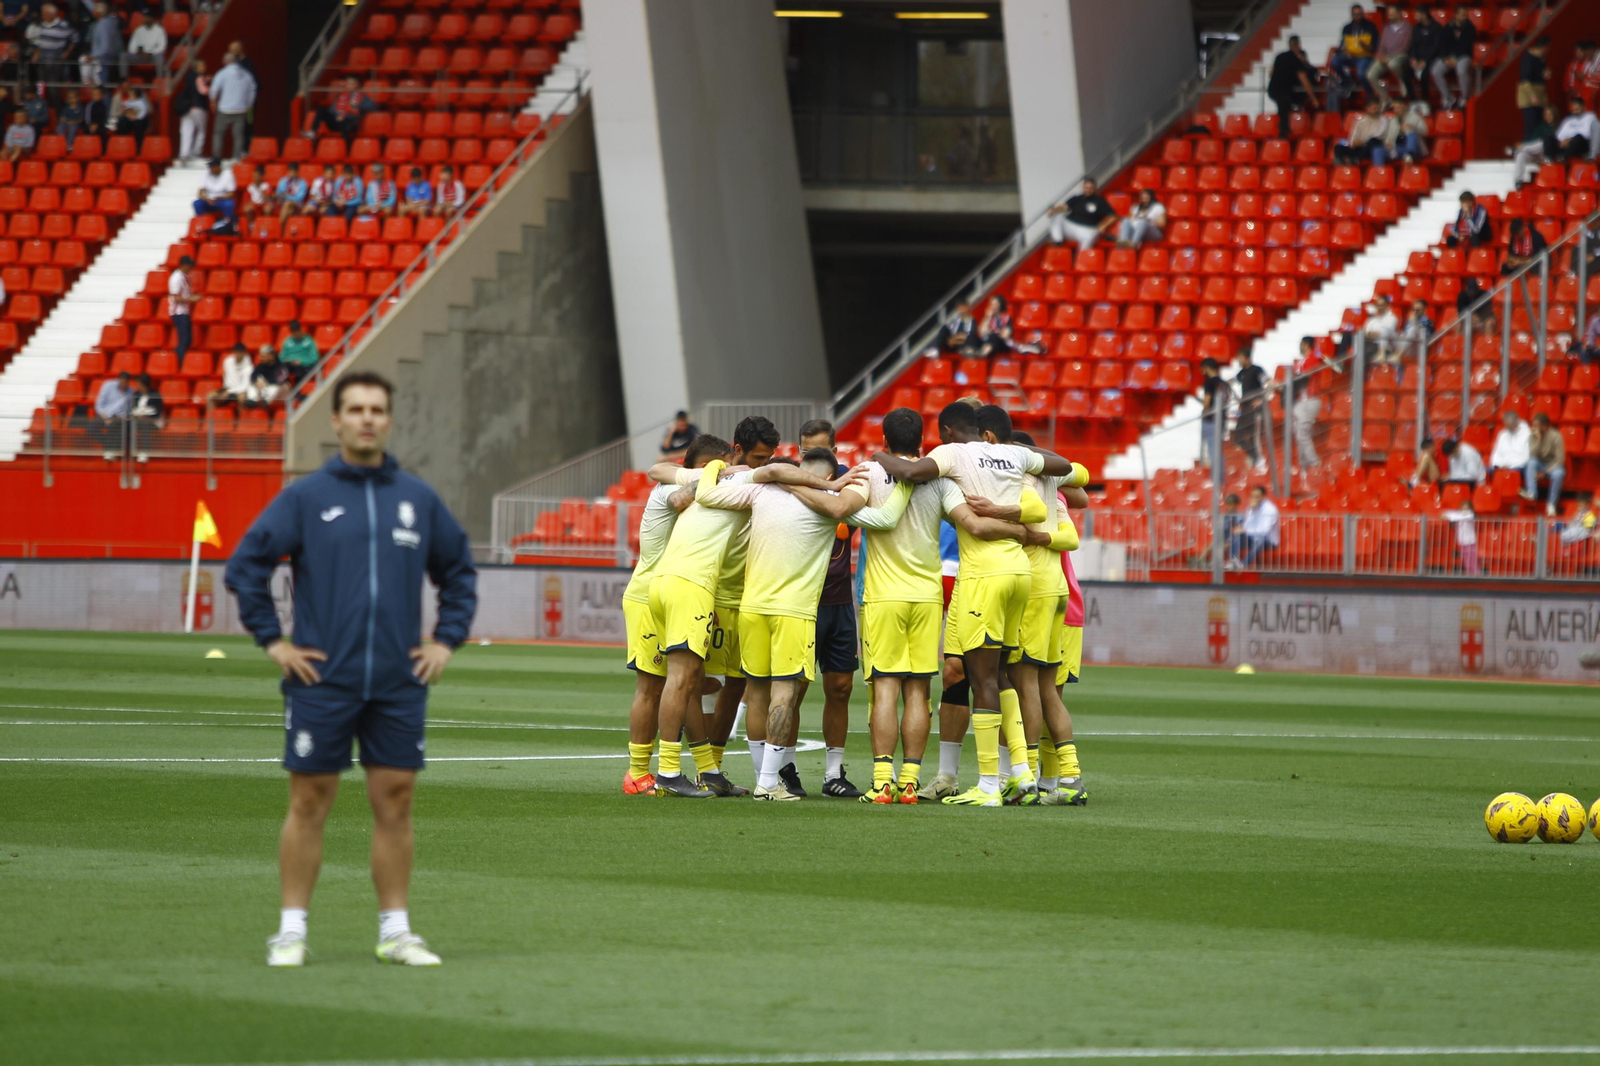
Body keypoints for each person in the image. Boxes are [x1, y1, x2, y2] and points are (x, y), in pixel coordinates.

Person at [225, 370, 478, 969]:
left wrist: (445, 640)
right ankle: (290, 931)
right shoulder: (306, 497)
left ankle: (396, 931)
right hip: (321, 679)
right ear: (336, 420)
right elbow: (246, 564)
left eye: (377, 409)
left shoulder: (417, 499)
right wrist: (274, 642)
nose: (367, 418)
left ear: (389, 420)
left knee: (396, 801)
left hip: (398, 681)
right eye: (356, 409)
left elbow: (459, 571)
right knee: (309, 800)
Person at [872, 400, 1081, 807]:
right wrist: (1031, 458)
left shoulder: (951, 453)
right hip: (1020, 573)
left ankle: (988, 784)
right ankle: (1020, 771)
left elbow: (911, 471)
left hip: (983, 575)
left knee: (982, 679)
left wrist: (879, 454)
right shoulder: (1013, 453)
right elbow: (1062, 465)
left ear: (948, 431)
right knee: (1002, 675)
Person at [642, 416, 836, 798]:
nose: (764, 465)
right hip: (695, 586)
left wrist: (707, 476)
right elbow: (778, 474)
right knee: (683, 681)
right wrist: (828, 484)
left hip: (671, 581)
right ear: (737, 452)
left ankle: (707, 769)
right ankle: (666, 772)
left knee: (694, 681)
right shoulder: (749, 480)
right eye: (758, 458)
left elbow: (664, 475)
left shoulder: (712, 476)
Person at [694, 446, 871, 803]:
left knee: (756, 692)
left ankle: (764, 778)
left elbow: (707, 494)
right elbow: (873, 517)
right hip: (794, 612)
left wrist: (727, 469)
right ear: (825, 476)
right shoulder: (830, 501)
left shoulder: (762, 489)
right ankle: (769, 783)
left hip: (752, 607)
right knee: (784, 694)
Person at [830, 408, 987, 804]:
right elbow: (969, 520)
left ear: (884, 441)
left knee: (884, 689)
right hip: (927, 596)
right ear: (922, 441)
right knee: (918, 691)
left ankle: (883, 781)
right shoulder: (938, 477)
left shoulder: (868, 472)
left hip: (883, 597)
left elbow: (840, 508)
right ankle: (912, 783)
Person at [962, 416, 1090, 807]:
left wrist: (1005, 516)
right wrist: (1046, 536)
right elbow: (1071, 533)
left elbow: (1032, 511)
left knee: (1026, 685)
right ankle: (1067, 776)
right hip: (1058, 590)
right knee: (1049, 688)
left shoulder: (1028, 482)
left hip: (1033, 589)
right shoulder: (1056, 487)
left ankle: (1028, 775)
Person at [617, 433, 726, 796]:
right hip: (650, 593)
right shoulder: (670, 491)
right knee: (651, 687)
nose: (723, 473)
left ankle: (707, 768)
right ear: (702, 467)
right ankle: (638, 773)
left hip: (662, 591)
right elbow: (662, 476)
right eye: (718, 466)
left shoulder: (695, 492)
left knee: (687, 683)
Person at [795, 419, 864, 799]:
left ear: (836, 450)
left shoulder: (851, 483)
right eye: (806, 452)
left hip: (838, 599)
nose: (813, 458)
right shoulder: (789, 479)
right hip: (801, 598)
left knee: (840, 687)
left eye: (820, 450)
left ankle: (834, 774)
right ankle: (785, 768)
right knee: (794, 687)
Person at [1267, 36, 1319, 138]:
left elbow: (1271, 73)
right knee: (1284, 107)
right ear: (1298, 46)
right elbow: (1304, 80)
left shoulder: (1279, 56)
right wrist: (1313, 98)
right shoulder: (1295, 60)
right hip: (1284, 91)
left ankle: (1284, 130)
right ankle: (1283, 133)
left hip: (1272, 89)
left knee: (1283, 108)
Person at [1328, 4, 1378, 111]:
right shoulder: (1347, 28)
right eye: (1355, 14)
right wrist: (1345, 51)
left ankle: (1370, 96)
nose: (1358, 16)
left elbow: (1374, 48)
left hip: (1365, 56)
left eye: (1360, 14)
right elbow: (1342, 45)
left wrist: (1365, 46)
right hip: (1351, 56)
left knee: (1361, 73)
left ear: (1363, 14)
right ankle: (1348, 82)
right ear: (1351, 15)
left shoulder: (1370, 26)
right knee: (1335, 61)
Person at [1046, 178, 1117, 251]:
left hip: (1088, 229)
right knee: (1057, 216)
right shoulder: (1076, 198)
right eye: (1086, 187)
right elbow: (1064, 207)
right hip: (1071, 227)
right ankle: (1058, 242)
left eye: (1091, 188)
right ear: (1083, 188)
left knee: (1090, 237)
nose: (1088, 190)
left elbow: (1113, 216)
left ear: (1094, 189)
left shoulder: (1099, 201)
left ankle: (1080, 259)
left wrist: (1103, 225)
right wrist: (1053, 210)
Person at [209, 50, 255, 160]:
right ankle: (236, 157)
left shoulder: (222, 73)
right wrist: (249, 104)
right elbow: (253, 89)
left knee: (218, 134)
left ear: (226, 61)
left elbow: (214, 89)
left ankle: (216, 157)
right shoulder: (246, 74)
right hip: (241, 109)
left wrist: (213, 101)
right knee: (238, 135)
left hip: (224, 109)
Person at [1366, 5, 1412, 108]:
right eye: (1388, 14)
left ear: (1399, 13)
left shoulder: (1407, 28)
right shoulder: (1386, 29)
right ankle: (1386, 99)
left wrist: (1389, 56)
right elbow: (1381, 46)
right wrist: (1380, 55)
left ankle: (1402, 82)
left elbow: (1405, 47)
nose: (1389, 16)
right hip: (1385, 57)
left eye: (1392, 13)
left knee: (1393, 64)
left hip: (1400, 55)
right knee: (1370, 74)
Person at [304, 75, 372, 143]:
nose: (349, 85)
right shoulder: (340, 96)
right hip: (336, 121)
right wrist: (338, 115)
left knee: (347, 123)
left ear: (357, 85)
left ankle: (343, 146)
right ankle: (313, 132)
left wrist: (358, 105)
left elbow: (372, 107)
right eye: (348, 83)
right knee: (321, 109)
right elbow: (332, 110)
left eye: (352, 84)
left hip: (350, 123)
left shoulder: (362, 97)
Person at [1233, 346, 1270, 471]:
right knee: (1238, 436)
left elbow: (1269, 382)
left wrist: (1262, 398)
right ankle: (1255, 457)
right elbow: (1232, 381)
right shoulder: (1242, 373)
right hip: (1245, 408)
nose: (1238, 360)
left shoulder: (1256, 370)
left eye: (1240, 358)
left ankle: (1259, 460)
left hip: (1255, 408)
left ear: (1246, 358)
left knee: (1255, 436)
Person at [1432, 6, 1476, 110]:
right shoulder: (1448, 27)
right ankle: (1448, 97)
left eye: (1466, 15)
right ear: (1455, 15)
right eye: (1462, 15)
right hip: (1448, 57)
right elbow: (1442, 44)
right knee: (1435, 71)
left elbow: (1467, 46)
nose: (1464, 17)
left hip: (1463, 56)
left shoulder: (1470, 28)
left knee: (1461, 71)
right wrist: (1445, 58)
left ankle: (1465, 96)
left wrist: (1455, 58)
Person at [1522, 411, 1565, 516]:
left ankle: (1551, 504)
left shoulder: (1556, 436)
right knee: (1531, 462)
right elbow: (1532, 454)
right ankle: (1532, 492)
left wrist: (1545, 473)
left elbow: (1560, 459)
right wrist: (1538, 440)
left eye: (1536, 425)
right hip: (1540, 464)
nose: (1533, 427)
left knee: (1559, 474)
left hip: (1553, 465)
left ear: (1544, 425)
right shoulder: (1532, 436)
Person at [1290, 336, 1324, 467]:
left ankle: (1315, 463)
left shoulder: (1313, 359)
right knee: (1299, 435)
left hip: (1310, 400)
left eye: (1301, 344)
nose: (1300, 347)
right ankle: (1303, 467)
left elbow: (1304, 376)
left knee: (1302, 434)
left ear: (1305, 344)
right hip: (1299, 401)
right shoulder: (1299, 361)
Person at [974, 294, 1042, 357]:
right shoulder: (988, 318)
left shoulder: (1006, 318)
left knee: (993, 336)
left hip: (1003, 344)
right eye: (991, 304)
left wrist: (993, 332)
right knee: (972, 337)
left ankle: (982, 354)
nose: (993, 306)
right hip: (989, 342)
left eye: (995, 304)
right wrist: (987, 317)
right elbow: (982, 333)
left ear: (1000, 305)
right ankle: (973, 352)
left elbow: (1005, 335)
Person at [1230, 485, 1280, 568]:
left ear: (1263, 496)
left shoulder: (1270, 509)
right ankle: (1233, 562)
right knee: (1236, 537)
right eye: (1253, 496)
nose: (1254, 498)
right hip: (1252, 537)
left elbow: (1264, 531)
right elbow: (1247, 525)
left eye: (1257, 496)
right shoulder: (1251, 508)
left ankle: (1244, 564)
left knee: (1259, 541)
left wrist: (1246, 530)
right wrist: (1253, 510)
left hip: (1268, 541)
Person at [1333, 99, 1394, 166]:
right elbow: (1353, 140)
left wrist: (1363, 141)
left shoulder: (1384, 120)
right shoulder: (1360, 122)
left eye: (1377, 108)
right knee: (1338, 147)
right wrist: (1356, 143)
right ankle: (1345, 162)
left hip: (1373, 147)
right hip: (1360, 148)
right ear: (1367, 109)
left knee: (1372, 141)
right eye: (1374, 108)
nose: (1376, 110)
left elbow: (1379, 135)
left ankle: (1355, 159)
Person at [1513, 104, 1561, 186]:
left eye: (1550, 114)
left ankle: (1518, 149)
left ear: (1554, 115)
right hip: (1537, 155)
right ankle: (1518, 181)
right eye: (1546, 114)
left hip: (1551, 155)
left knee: (1542, 143)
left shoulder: (1560, 127)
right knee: (1521, 155)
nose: (1547, 116)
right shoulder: (1541, 127)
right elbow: (1531, 141)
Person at [30, 3, 75, 85]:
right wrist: (36, 53)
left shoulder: (63, 25)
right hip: (43, 60)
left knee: (53, 85)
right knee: (41, 85)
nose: (43, 16)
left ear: (52, 14)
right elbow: (42, 43)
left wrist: (67, 52)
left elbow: (74, 39)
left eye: (45, 14)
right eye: (43, 14)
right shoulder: (43, 25)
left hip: (56, 60)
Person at [174, 57, 209, 160]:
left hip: (187, 108)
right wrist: (211, 88)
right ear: (197, 67)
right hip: (198, 108)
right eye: (202, 65)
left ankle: (184, 154)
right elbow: (203, 91)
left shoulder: (188, 77)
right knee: (201, 132)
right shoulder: (199, 77)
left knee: (186, 131)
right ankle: (196, 153)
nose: (204, 67)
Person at [1518, 37, 1552, 141]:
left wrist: (1545, 74)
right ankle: (1528, 149)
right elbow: (1525, 80)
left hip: (1540, 97)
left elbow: (1540, 77)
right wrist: (1532, 96)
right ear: (1543, 47)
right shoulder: (1527, 58)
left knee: (1539, 126)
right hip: (1530, 98)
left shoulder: (1542, 59)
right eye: (1547, 48)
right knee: (1531, 126)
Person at [93, 369, 131, 458]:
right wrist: (105, 417)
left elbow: (128, 410)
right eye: (121, 380)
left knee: (115, 425)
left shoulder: (130, 393)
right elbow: (99, 404)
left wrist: (120, 417)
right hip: (104, 415)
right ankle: (111, 445)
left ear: (128, 382)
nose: (123, 383)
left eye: (125, 381)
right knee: (91, 428)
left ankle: (109, 451)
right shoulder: (108, 386)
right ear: (118, 380)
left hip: (118, 418)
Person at [1405, 10, 1441, 103]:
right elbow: (1413, 45)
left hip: (1432, 58)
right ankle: (1413, 100)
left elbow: (1436, 47)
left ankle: (1425, 101)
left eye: (1417, 15)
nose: (1415, 17)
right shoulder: (1416, 28)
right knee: (1405, 73)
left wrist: (1425, 60)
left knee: (1424, 74)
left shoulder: (1436, 27)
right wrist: (1413, 58)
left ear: (1424, 15)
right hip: (1418, 59)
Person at [193, 157, 236, 233]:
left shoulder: (228, 174)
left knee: (229, 204)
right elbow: (201, 191)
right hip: (208, 200)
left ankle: (226, 225)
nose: (210, 168)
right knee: (197, 203)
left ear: (218, 166)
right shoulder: (206, 174)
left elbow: (231, 193)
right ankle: (203, 224)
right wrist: (206, 198)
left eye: (212, 166)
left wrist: (221, 198)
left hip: (222, 200)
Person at [168, 253, 197, 360]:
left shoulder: (182, 277)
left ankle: (180, 360)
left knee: (187, 340)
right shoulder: (176, 278)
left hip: (184, 312)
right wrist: (191, 299)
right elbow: (175, 297)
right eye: (189, 265)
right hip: (179, 312)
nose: (191, 268)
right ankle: (178, 361)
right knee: (184, 340)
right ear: (184, 265)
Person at [1555, 95, 1600, 161]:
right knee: (1548, 138)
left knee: (1578, 138)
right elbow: (1559, 135)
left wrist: (1570, 140)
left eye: (1577, 109)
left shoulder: (1590, 117)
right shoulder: (1568, 119)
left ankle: (1564, 159)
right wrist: (1563, 141)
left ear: (1583, 107)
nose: (1575, 111)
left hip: (1583, 144)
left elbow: (1586, 134)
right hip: (1566, 144)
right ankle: (1550, 160)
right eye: (1574, 109)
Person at [1199, 356, 1225, 469]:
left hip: (1210, 418)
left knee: (1212, 449)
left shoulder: (1209, 382)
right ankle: (1220, 475)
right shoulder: (1222, 382)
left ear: (1207, 368)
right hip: (1221, 418)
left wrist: (1205, 411)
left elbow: (1207, 400)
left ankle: (1216, 475)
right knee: (1218, 450)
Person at [123, 6, 164, 77]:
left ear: (152, 18)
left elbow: (162, 47)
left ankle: (160, 80)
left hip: (152, 56)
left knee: (160, 58)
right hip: (139, 56)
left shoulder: (159, 30)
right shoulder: (138, 30)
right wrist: (139, 52)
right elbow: (131, 47)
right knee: (124, 56)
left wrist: (150, 53)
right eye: (144, 16)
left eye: (146, 17)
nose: (144, 19)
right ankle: (124, 80)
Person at [209, 342, 252, 406]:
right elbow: (227, 379)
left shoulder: (249, 367)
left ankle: (242, 415)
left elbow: (245, 386)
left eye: (240, 353)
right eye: (236, 352)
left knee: (242, 398)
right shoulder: (227, 362)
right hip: (228, 389)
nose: (238, 355)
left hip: (240, 391)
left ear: (244, 353)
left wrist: (230, 391)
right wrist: (226, 390)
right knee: (211, 396)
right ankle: (211, 416)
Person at [108, 81, 148, 149]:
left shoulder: (141, 95)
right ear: (121, 88)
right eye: (124, 87)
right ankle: (124, 146)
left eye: (128, 87)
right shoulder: (116, 97)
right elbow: (113, 113)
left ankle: (139, 148)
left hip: (138, 119)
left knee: (138, 123)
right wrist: (123, 113)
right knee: (122, 122)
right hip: (124, 119)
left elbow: (147, 110)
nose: (126, 89)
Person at [1490, 409, 1532, 473]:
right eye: (1507, 425)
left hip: (1519, 467)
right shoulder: (1502, 434)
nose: (1508, 428)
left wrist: (1510, 466)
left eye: (1511, 425)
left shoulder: (1527, 434)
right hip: (1502, 466)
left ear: (1517, 422)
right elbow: (1497, 453)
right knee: (1486, 471)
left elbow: (1526, 458)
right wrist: (1498, 465)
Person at [87, 2, 118, 85]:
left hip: (103, 60)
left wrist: (93, 55)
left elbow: (106, 47)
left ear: (99, 13)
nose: (93, 11)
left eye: (95, 10)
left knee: (102, 87)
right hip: (101, 59)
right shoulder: (103, 22)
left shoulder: (104, 25)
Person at [1362, 295, 1401, 363]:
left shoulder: (1392, 318)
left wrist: (1371, 334)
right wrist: (1375, 334)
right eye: (1378, 305)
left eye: (1382, 305)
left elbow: (1386, 334)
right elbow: (1365, 334)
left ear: (1387, 305)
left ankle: (1360, 372)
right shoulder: (1371, 320)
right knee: (1359, 343)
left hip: (1385, 347)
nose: (1380, 307)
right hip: (1370, 343)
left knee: (1363, 350)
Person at [1393, 99, 1429, 163]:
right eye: (1394, 108)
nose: (1396, 110)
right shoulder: (1393, 120)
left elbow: (1425, 132)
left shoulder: (1415, 117)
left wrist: (1412, 127)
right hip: (1400, 148)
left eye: (1398, 108)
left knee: (1412, 134)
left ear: (1404, 106)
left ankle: (1409, 155)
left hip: (1415, 148)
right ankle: (1408, 156)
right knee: (1380, 149)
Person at [1400, 298, 1434, 363]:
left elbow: (1425, 336)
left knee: (1412, 329)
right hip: (1406, 346)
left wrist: (1415, 322)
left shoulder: (1428, 322)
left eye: (1417, 310)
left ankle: (1399, 354)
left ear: (1424, 310)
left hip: (1418, 348)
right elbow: (1404, 333)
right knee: (1387, 330)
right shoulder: (1410, 320)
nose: (1415, 312)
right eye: (1413, 309)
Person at [241, 163, 271, 228]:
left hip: (264, 204)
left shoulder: (266, 185)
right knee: (247, 209)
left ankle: (265, 224)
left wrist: (262, 191)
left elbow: (268, 197)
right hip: (254, 204)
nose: (254, 178)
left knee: (268, 209)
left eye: (256, 176)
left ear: (261, 177)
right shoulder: (250, 187)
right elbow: (247, 200)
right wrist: (251, 203)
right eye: (253, 176)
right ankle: (251, 225)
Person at [56, 86, 82, 150]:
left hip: (75, 123)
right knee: (59, 127)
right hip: (66, 123)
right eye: (70, 98)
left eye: (73, 97)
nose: (71, 99)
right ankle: (63, 142)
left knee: (73, 127)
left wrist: (74, 122)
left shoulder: (80, 108)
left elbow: (81, 120)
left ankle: (69, 143)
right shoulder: (66, 108)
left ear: (77, 98)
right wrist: (62, 120)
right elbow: (63, 116)